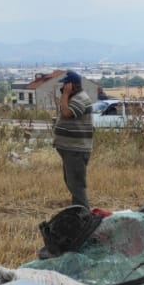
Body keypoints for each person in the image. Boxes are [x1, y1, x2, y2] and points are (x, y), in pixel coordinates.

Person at [51, 70, 93, 208]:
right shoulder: (74, 98)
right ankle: (78, 212)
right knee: (72, 183)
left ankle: (84, 215)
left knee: (76, 185)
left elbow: (66, 113)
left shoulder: (80, 98)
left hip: (76, 149)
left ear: (72, 85)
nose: (62, 88)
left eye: (65, 85)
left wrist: (65, 94)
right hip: (70, 148)